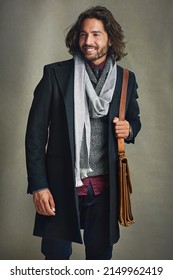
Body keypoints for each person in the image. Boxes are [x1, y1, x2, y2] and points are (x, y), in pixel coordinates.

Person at [25, 6, 141, 260]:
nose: (88, 41)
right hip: (60, 186)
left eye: (96, 34)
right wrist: (39, 186)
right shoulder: (56, 75)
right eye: (83, 34)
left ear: (110, 39)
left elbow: (134, 120)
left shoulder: (125, 80)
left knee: (100, 260)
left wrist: (130, 128)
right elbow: (35, 135)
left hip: (105, 189)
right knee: (56, 260)